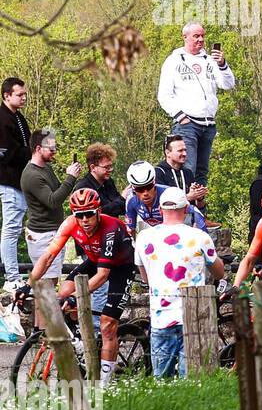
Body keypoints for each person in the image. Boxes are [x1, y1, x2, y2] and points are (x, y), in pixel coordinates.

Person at [28, 188, 133, 384]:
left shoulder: (110, 229)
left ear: (98, 211)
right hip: (95, 260)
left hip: (122, 267)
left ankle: (105, 385)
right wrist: (28, 285)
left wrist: (75, 297)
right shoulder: (69, 224)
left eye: (89, 214)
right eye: (79, 215)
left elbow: (103, 276)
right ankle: (82, 340)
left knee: (107, 324)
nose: (84, 219)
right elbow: (49, 256)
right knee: (63, 294)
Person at [134, 187, 223, 379]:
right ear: (187, 208)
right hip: (194, 316)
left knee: (161, 381)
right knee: (193, 380)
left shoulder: (143, 238)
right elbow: (219, 272)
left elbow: (145, 278)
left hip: (161, 315)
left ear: (160, 208)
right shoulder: (200, 237)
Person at [156, 21, 235, 186]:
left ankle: (199, 209)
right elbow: (164, 95)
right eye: (196, 36)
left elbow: (227, 84)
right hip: (187, 124)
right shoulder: (173, 61)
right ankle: (183, 208)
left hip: (208, 124)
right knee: (187, 169)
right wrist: (181, 117)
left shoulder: (210, 60)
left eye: (202, 36)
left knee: (202, 172)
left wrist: (222, 65)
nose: (200, 40)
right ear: (185, 37)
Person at [21, 129, 82, 271]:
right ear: (38, 148)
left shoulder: (46, 168)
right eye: (51, 148)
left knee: (51, 280)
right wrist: (71, 178)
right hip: (42, 236)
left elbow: (58, 192)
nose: (54, 151)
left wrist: (69, 176)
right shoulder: (32, 175)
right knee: (46, 282)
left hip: (53, 233)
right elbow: (53, 201)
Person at [0, 77, 31, 287]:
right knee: (11, 229)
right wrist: (36, 151)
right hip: (8, 181)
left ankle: (15, 275)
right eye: (19, 94)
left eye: (24, 94)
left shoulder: (17, 117)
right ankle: (11, 278)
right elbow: (8, 153)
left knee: (17, 228)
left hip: (20, 181)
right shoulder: (2, 119)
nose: (24, 98)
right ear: (6, 95)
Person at [124, 161, 208, 236]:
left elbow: (194, 211)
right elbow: (130, 230)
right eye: (140, 189)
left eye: (149, 187)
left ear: (154, 183)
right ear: (133, 188)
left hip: (182, 229)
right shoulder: (131, 199)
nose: (145, 193)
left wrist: (204, 237)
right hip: (157, 232)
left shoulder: (168, 193)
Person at [155, 134, 208, 209]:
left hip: (188, 219)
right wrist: (188, 197)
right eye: (180, 151)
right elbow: (162, 204)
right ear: (168, 153)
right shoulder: (159, 172)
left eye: (185, 150)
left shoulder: (187, 173)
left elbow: (199, 207)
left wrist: (199, 197)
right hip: (168, 219)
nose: (185, 154)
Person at [74, 143, 126, 217]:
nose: (111, 169)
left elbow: (120, 209)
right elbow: (95, 214)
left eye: (111, 166)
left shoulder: (108, 182)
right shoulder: (83, 188)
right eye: (106, 167)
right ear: (93, 168)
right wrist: (122, 199)